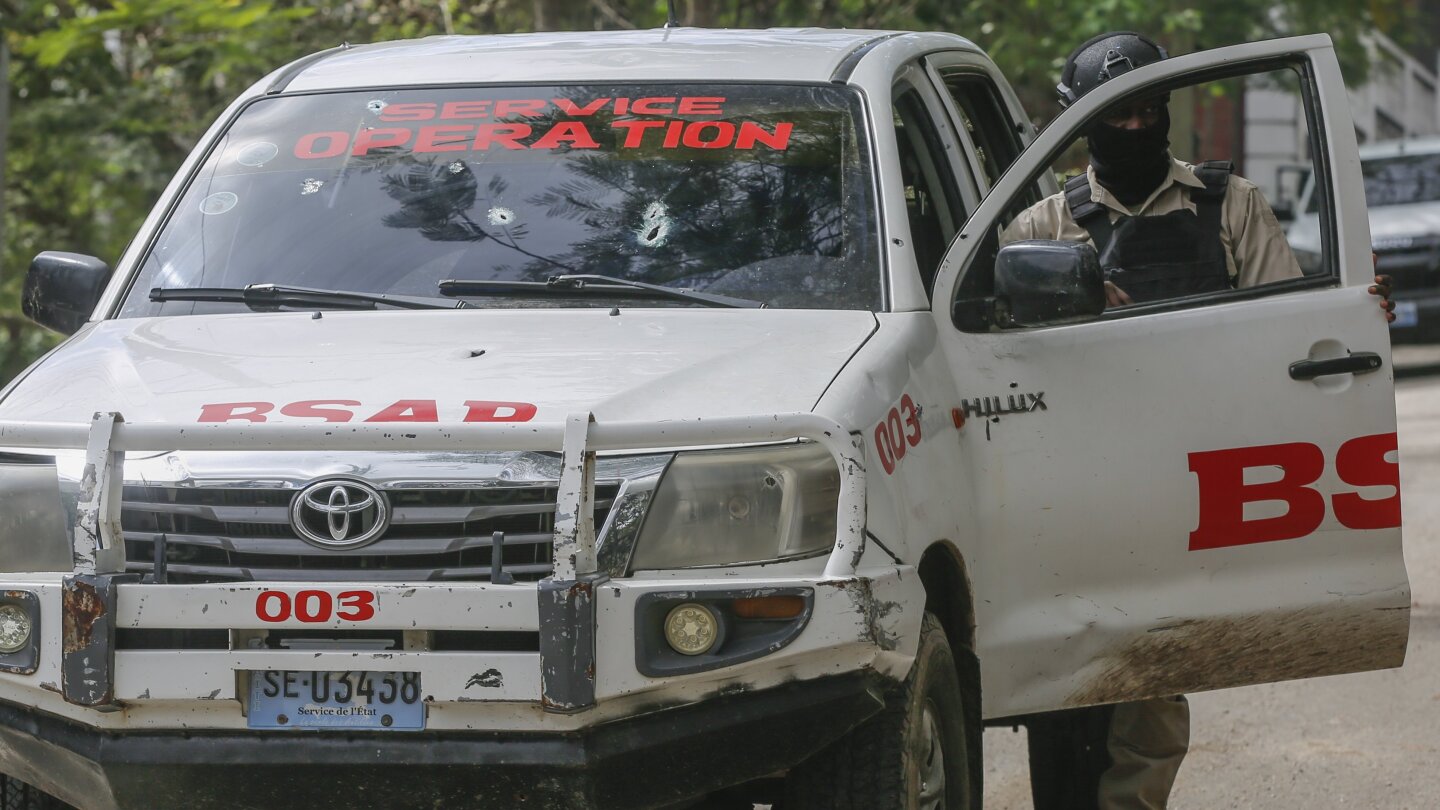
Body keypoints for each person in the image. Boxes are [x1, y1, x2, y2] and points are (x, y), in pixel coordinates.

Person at [1005, 31, 1395, 810]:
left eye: (1152, 108)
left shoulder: (1230, 203)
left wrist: (1356, 314)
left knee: (1160, 663)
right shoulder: (1044, 225)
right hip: (1072, 475)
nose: (1140, 127)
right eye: (1121, 115)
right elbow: (998, 348)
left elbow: (1290, 319)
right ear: (1084, 121)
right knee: (1061, 663)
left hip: (1189, 474)